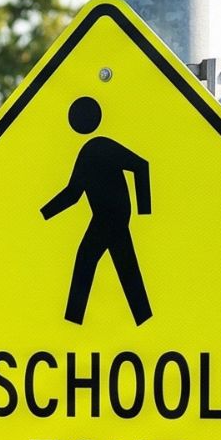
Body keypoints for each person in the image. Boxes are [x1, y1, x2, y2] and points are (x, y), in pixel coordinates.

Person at [40, 95, 153, 327]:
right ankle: (143, 317)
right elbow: (73, 194)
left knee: (86, 260)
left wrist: (145, 212)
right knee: (124, 266)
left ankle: (72, 321)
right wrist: (43, 214)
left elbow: (142, 165)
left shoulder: (99, 146)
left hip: (111, 216)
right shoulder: (90, 150)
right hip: (108, 216)